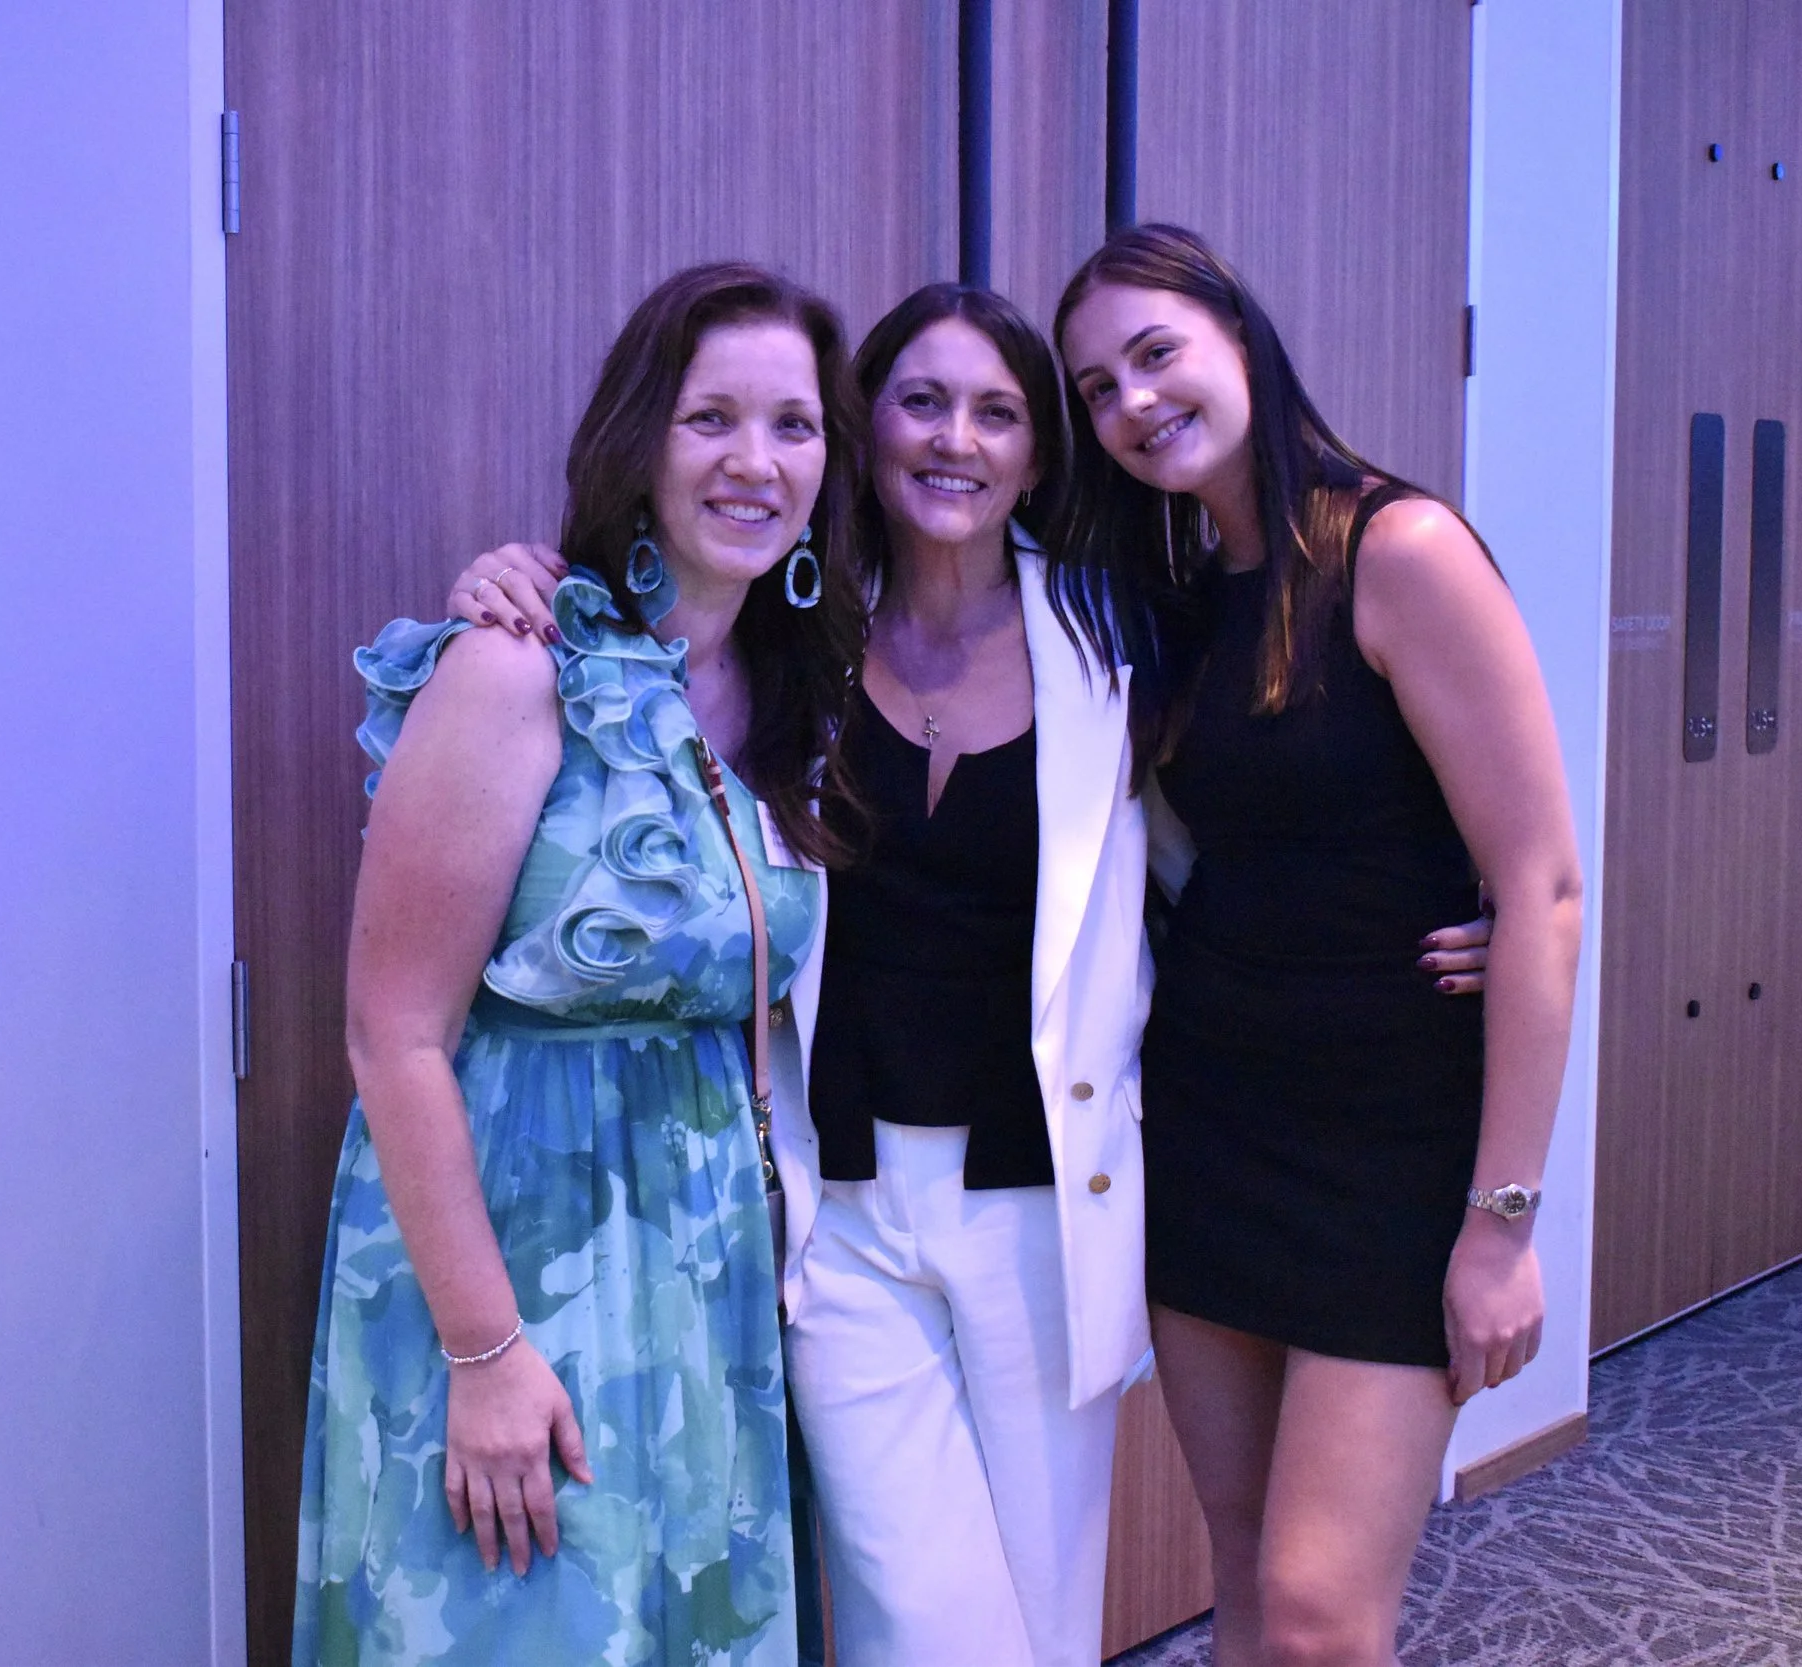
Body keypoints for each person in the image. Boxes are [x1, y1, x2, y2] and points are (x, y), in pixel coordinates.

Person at [446, 281, 1496, 1666]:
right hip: (847, 1215)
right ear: (861, 430)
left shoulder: (1120, 637)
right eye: (923, 401)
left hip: (1043, 1210)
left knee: (1047, 1625)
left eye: (1000, 411)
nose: (958, 439)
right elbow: (634, 635)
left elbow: (1267, 809)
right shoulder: (791, 636)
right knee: (918, 1622)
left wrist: (1460, 898)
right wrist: (510, 575)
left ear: (1039, 453)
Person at [293, 262, 871, 1667]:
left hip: (703, 1274)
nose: (755, 461)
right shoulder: (516, 670)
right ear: (637, 442)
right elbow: (394, 1036)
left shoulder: (793, 694)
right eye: (708, 419)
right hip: (513, 1264)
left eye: (793, 426)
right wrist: (485, 1354)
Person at [1052, 223, 1584, 1667]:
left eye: (1156, 353)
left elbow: (1541, 884)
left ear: (1239, 335)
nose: (1136, 401)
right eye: (1098, 388)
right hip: (1216, 1121)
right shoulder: (1166, 596)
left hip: (1386, 1150)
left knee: (1318, 1610)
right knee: (1242, 1573)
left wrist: (1504, 1222)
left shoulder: (1398, 549)